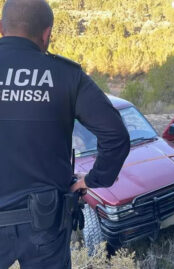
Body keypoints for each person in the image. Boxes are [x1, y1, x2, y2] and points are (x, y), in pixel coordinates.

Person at [0, 1, 130, 268]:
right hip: (46, 221)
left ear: (1, 28)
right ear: (47, 34)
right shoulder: (66, 75)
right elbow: (116, 135)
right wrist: (93, 180)